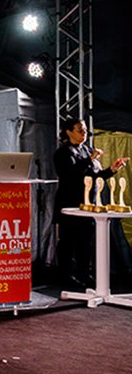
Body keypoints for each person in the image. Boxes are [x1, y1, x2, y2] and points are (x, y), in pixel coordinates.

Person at [53, 118, 128, 288]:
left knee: (85, 243)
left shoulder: (87, 150)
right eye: (80, 130)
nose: (84, 133)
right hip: (70, 204)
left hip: (89, 205)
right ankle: (65, 277)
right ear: (68, 132)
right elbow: (70, 176)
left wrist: (111, 170)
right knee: (67, 242)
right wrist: (89, 159)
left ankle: (84, 274)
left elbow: (96, 177)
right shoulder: (63, 153)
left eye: (85, 130)